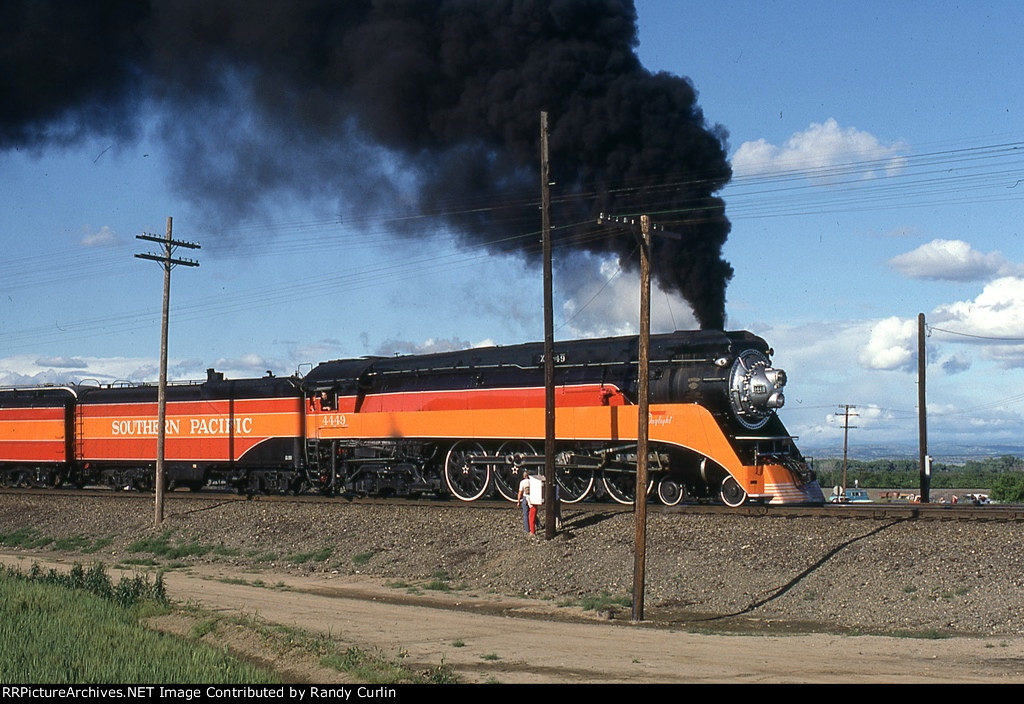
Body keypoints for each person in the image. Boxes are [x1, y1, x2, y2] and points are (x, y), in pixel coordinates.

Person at [517, 469, 534, 534]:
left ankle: (527, 529)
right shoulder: (531, 481)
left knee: (526, 514)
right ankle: (539, 525)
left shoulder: (522, 482)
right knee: (532, 512)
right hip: (531, 498)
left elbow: (520, 492)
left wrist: (518, 501)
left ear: (524, 476)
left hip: (525, 498)